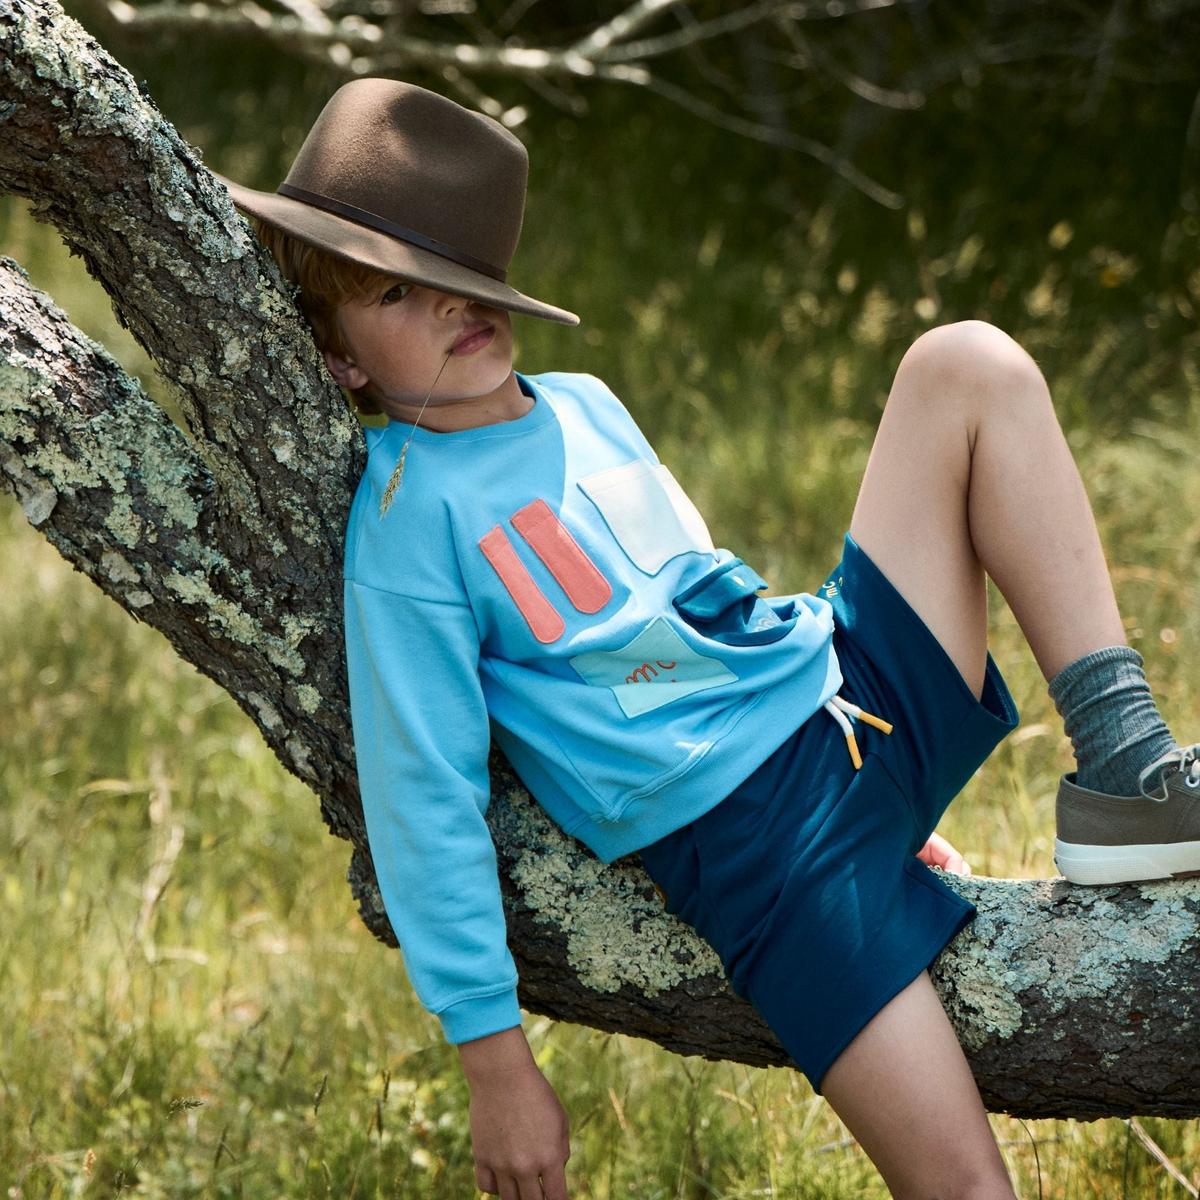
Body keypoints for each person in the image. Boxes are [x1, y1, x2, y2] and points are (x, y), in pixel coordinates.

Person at [214, 78, 1200, 1200]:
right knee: (968, 1190)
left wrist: (888, 800)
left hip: (843, 691)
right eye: (397, 291)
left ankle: (1127, 768)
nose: (449, 305)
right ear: (341, 359)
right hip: (770, 854)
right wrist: (494, 1061)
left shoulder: (584, 403)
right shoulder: (409, 521)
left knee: (965, 363)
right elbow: (421, 794)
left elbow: (694, 604)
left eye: (459, 271)